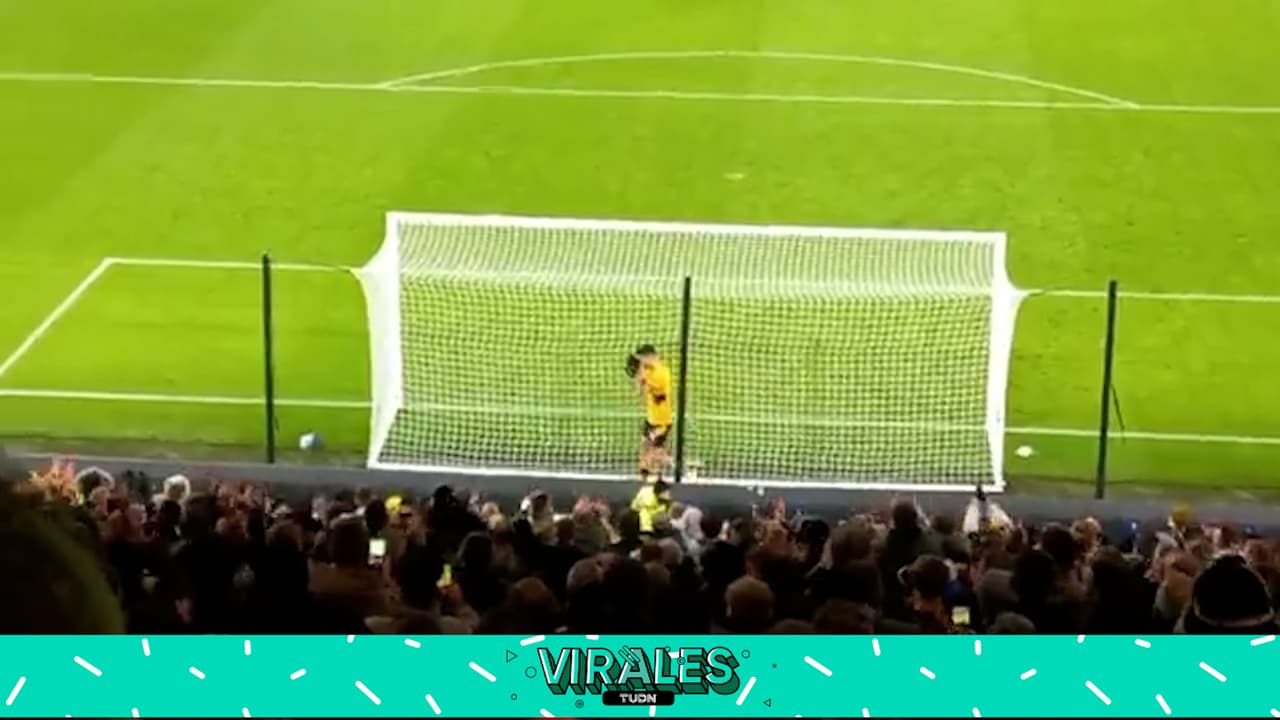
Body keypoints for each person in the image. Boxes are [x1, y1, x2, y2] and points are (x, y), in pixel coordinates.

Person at [626, 344, 673, 481]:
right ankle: (645, 473)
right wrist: (639, 375)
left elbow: (646, 388)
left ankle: (673, 464)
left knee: (654, 452)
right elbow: (640, 393)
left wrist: (639, 375)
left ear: (650, 357)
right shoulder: (650, 370)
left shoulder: (661, 374)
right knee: (645, 446)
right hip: (651, 418)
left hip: (661, 421)